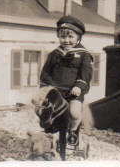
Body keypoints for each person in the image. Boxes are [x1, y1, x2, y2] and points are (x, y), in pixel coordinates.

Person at [40, 16, 93, 146]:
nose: (66, 40)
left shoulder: (83, 54)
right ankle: (49, 130)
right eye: (63, 37)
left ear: (78, 37)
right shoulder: (55, 54)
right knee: (44, 111)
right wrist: (46, 86)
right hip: (56, 91)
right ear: (58, 37)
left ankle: (73, 130)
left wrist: (79, 86)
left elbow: (86, 73)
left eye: (71, 37)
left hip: (73, 93)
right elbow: (46, 72)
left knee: (74, 112)